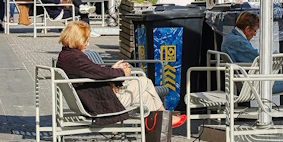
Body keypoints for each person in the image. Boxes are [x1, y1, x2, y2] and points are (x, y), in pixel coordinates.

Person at [56, 21, 186, 131]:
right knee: (143, 81)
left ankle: (158, 138)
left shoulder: (67, 56)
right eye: (86, 41)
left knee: (146, 97)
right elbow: (99, 73)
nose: (87, 44)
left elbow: (95, 71)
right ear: (77, 40)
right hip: (102, 104)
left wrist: (114, 69)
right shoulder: (76, 59)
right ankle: (166, 118)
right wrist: (123, 73)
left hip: (95, 100)